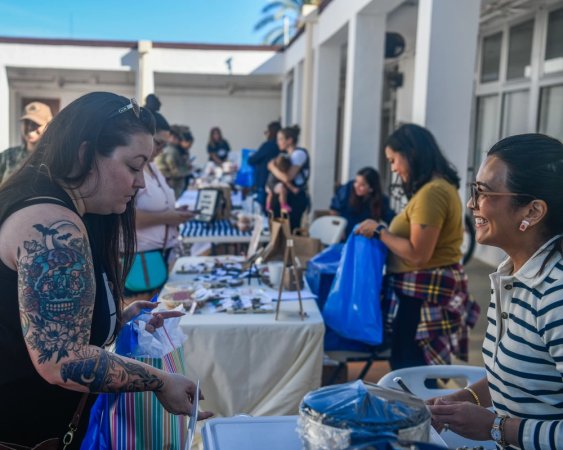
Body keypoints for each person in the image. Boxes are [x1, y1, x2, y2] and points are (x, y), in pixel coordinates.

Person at [0, 92, 211, 447]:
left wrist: (116, 317)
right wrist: (159, 380)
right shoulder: (53, 224)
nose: (141, 181)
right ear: (85, 154)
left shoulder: (74, 214)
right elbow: (61, 360)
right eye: (133, 165)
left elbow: (44, 323)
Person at [427, 134, 563, 449]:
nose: (472, 203)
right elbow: (520, 375)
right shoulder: (511, 275)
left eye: (484, 192)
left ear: (532, 212)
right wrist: (464, 398)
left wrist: (497, 428)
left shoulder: (555, 296)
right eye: (474, 190)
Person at [356, 124, 479, 371]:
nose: (392, 168)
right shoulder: (437, 188)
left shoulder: (432, 193)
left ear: (410, 154)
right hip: (419, 293)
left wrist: (380, 232)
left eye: (393, 160)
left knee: (410, 370)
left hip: (422, 295)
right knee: (410, 367)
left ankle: (419, 411)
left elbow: (418, 254)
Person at [133, 113, 195, 297]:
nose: (161, 149)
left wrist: (174, 212)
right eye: (158, 143)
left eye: (165, 144)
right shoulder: (134, 170)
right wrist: (169, 217)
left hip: (161, 256)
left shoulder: (152, 167)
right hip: (142, 260)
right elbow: (126, 219)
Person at [330, 167, 395, 238]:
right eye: (356, 182)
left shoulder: (380, 201)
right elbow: (334, 209)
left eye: (362, 185)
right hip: (343, 234)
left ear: (371, 188)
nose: (356, 186)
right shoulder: (347, 189)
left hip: (364, 238)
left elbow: (390, 219)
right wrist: (338, 229)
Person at [267, 125, 310, 230]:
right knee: (280, 231)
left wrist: (272, 167)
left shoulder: (299, 154)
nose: (278, 142)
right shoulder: (285, 155)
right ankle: (282, 246)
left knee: (290, 231)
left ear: (289, 140)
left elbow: (287, 177)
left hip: (295, 199)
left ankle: (290, 246)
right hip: (285, 198)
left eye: (280, 139)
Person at [0, 101, 53, 184]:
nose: (30, 127)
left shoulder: (53, 158)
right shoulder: (7, 156)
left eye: (36, 123)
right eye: (26, 122)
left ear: (48, 126)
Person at [248, 120, 281, 209]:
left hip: (264, 180)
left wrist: (251, 156)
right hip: (275, 182)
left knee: (262, 209)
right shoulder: (279, 146)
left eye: (267, 132)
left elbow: (252, 160)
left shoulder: (269, 145)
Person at [156, 124, 194, 198]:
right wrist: (189, 171)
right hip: (171, 183)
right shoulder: (171, 151)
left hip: (172, 183)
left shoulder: (175, 150)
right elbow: (175, 171)